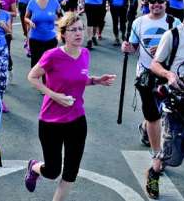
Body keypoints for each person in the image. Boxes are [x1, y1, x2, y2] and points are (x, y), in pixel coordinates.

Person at [25, 12, 116, 201]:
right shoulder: (52, 55)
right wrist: (53, 95)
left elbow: (79, 80)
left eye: (81, 29)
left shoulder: (85, 53)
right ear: (63, 34)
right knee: (52, 171)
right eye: (73, 29)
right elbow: (32, 77)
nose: (78, 33)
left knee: (70, 173)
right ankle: (34, 167)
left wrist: (96, 80)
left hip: (77, 119)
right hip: (51, 121)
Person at [145, 0, 184, 199]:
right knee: (171, 157)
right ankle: (154, 171)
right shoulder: (173, 35)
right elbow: (155, 64)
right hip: (177, 106)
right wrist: (169, 75)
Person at [121, 0, 180, 163]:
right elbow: (133, 48)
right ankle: (157, 154)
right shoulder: (138, 23)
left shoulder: (174, 23)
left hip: (166, 73)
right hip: (145, 74)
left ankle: (145, 127)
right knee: (154, 113)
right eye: (152, 1)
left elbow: (179, 50)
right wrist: (127, 48)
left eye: (160, 1)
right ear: (148, 3)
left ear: (165, 3)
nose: (156, 4)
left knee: (163, 113)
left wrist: (164, 51)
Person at [25, 0, 62, 67]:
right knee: (36, 65)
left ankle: (47, 81)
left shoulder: (54, 2)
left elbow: (61, 17)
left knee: (49, 66)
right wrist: (30, 22)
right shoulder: (32, 3)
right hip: (35, 40)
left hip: (50, 40)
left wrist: (59, 24)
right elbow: (26, 18)